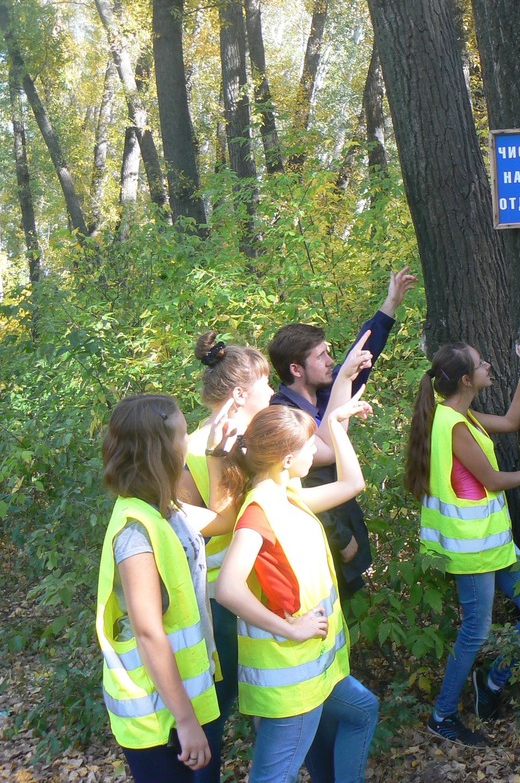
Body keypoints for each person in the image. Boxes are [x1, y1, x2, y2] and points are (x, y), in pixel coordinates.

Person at [214, 389, 378, 783]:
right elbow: (227, 589)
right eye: (309, 447)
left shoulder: (287, 495)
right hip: (291, 682)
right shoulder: (259, 511)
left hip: (315, 670)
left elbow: (352, 482)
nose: (314, 454)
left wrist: (336, 425)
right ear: (287, 459)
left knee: (363, 710)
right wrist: (291, 628)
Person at [405, 336, 520, 747]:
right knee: (475, 631)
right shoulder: (452, 426)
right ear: (468, 381)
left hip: (496, 547)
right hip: (471, 552)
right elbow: (491, 480)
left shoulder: (459, 415)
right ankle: (442, 715)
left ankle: (491, 683)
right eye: (482, 363)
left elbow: (511, 422)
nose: (490, 364)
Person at [95, 395, 226, 782]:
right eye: (184, 434)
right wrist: (185, 721)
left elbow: (222, 520)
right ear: (160, 449)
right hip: (155, 714)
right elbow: (149, 632)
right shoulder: (136, 532)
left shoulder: (168, 512)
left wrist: (220, 452)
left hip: (176, 702)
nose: (189, 441)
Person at [268, 266, 417, 603]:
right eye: (321, 356)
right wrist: (340, 538)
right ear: (296, 369)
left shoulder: (322, 391)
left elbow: (360, 358)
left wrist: (390, 304)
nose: (330, 361)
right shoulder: (283, 414)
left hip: (346, 527)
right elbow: (307, 478)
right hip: (322, 540)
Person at [177, 332, 274, 783]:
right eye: (265, 385)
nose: (273, 394)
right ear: (239, 394)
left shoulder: (256, 442)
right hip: (219, 604)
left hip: (263, 595)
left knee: (269, 702)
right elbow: (207, 524)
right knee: (218, 706)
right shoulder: (192, 450)